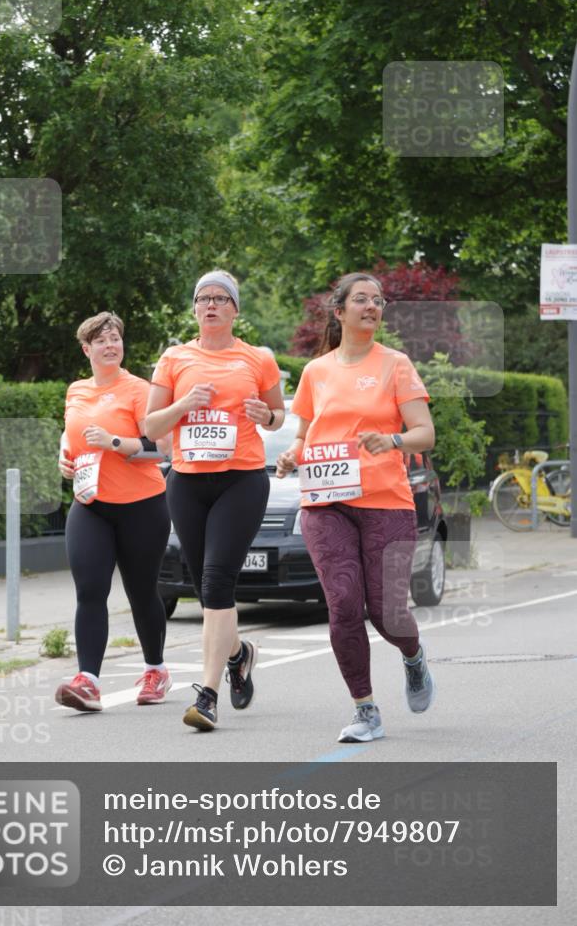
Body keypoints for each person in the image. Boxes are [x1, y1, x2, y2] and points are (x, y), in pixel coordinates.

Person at [276, 273, 436, 743]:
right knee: (344, 605)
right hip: (326, 504)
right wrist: (291, 454)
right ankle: (365, 709)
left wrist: (391, 439)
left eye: (378, 301)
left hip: (387, 502)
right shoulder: (316, 372)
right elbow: (304, 435)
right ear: (340, 310)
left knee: (387, 613)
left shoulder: (396, 364)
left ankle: (413, 656)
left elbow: (425, 432)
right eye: (361, 299)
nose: (372, 306)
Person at [145, 271, 285, 731]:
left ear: (235, 310)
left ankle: (207, 696)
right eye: (203, 298)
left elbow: (277, 413)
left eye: (221, 298)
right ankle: (239, 654)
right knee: (206, 588)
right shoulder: (174, 358)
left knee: (216, 579)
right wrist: (184, 404)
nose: (211, 305)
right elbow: (152, 427)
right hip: (187, 481)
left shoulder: (257, 358)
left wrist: (267, 414)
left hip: (241, 479)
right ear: (194, 309)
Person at [55, 312, 173, 712]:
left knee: (142, 593)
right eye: (101, 341)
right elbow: (69, 434)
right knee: (90, 590)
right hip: (90, 505)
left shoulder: (139, 390)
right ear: (86, 349)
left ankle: (155, 669)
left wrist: (116, 442)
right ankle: (87, 680)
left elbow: (163, 448)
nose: (110, 346)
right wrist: (64, 458)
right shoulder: (76, 390)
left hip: (142, 506)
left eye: (115, 339)